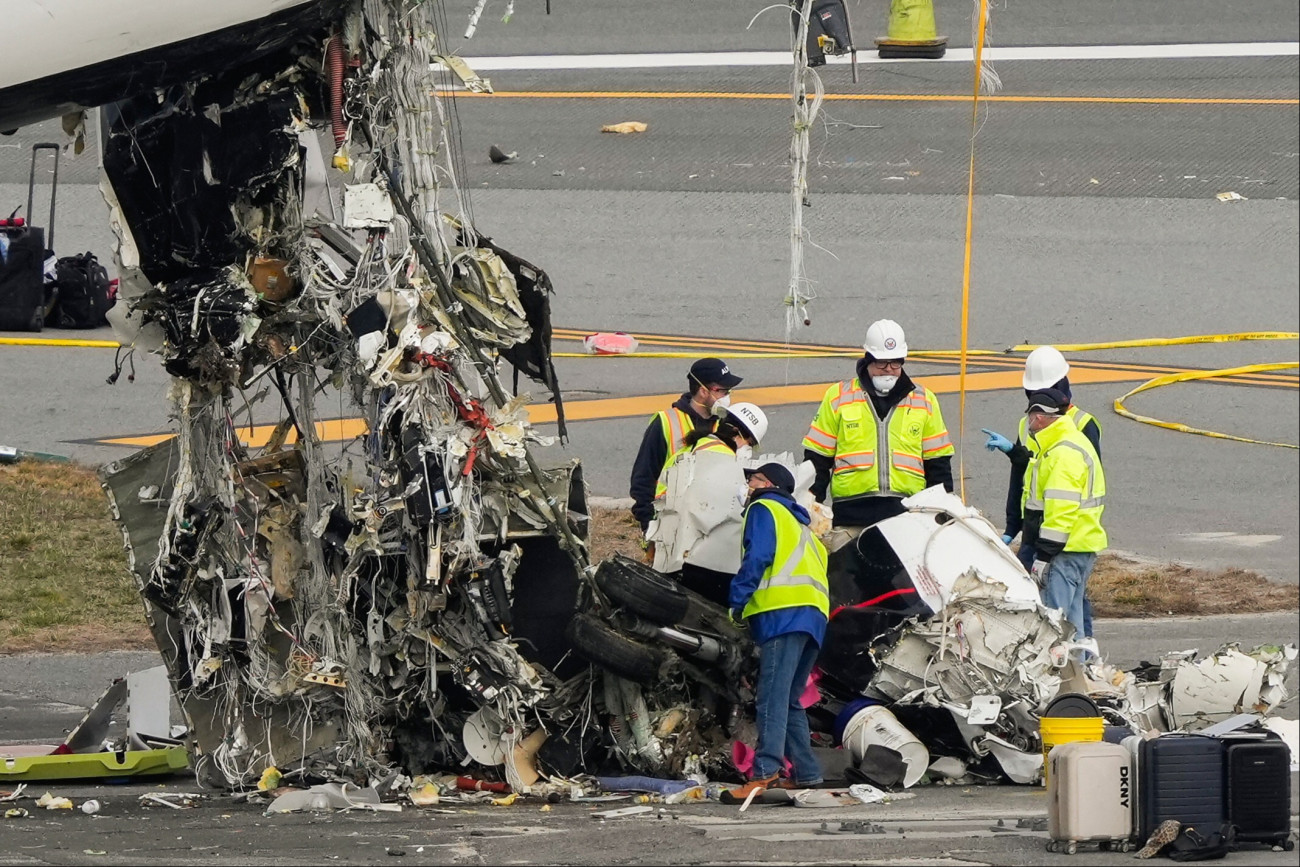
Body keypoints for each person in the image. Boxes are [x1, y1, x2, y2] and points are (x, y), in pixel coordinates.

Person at [724, 462, 830, 799]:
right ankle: (806, 772)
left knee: (771, 695)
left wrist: (736, 601)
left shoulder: (763, 507)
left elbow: (759, 556)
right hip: (813, 618)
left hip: (781, 614)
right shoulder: (802, 526)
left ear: (767, 483)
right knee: (790, 699)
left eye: (752, 479)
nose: (748, 485)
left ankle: (765, 773)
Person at [982, 345, 1103, 639]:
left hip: (1063, 539)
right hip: (1038, 532)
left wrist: (1048, 551)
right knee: (1037, 603)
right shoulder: (1029, 423)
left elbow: (1072, 494)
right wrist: (1014, 524)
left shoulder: (1082, 427)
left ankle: (1077, 667)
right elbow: (1026, 477)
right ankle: (1071, 666)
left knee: (1062, 614)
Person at [801, 319, 954, 531]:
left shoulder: (923, 399)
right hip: (850, 517)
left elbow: (938, 463)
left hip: (907, 517)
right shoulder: (838, 396)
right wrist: (809, 505)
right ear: (868, 360)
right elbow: (817, 460)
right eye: (881, 363)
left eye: (895, 363)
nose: (888, 370)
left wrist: (943, 512)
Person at [651, 402, 769, 606]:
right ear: (737, 434)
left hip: (669, 538)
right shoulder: (721, 457)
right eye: (748, 443)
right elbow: (727, 507)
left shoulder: (696, 446)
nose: (747, 449)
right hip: (694, 551)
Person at [1017, 389, 1107, 639]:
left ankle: (1061, 674)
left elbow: (1060, 511)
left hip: (1064, 550)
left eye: (1031, 417)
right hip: (1079, 547)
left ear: (1040, 418)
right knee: (1073, 621)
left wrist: (1044, 555)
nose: (1029, 425)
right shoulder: (1065, 444)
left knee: (1054, 624)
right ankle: (1082, 671)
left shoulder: (1061, 453)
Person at [629, 358, 743, 534]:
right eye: (722, 391)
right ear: (703, 391)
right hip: (670, 523)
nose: (727, 397)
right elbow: (644, 478)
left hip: (712, 524)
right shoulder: (666, 422)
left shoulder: (726, 426)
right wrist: (649, 525)